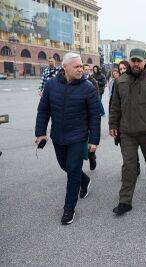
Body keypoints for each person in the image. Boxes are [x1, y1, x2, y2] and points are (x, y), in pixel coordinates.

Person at [35, 52, 101, 225]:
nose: (81, 69)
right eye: (77, 66)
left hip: (78, 137)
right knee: (66, 166)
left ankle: (68, 210)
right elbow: (43, 110)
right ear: (64, 67)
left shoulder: (87, 87)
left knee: (72, 171)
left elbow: (95, 116)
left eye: (81, 66)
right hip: (58, 136)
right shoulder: (50, 85)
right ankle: (85, 180)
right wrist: (40, 132)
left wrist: (94, 140)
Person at [109, 48, 146, 216]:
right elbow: (115, 106)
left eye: (138, 61)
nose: (135, 63)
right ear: (129, 61)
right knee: (129, 166)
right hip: (127, 132)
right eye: (133, 60)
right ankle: (125, 201)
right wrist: (113, 124)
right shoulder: (121, 81)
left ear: (144, 62)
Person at [83, 64, 100, 171]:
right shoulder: (72, 80)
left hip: (87, 115)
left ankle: (91, 156)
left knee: (88, 142)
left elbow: (96, 94)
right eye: (84, 69)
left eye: (86, 69)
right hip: (76, 118)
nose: (84, 71)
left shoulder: (91, 81)